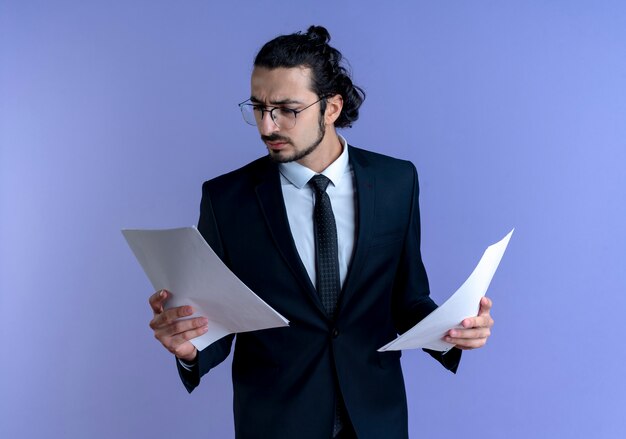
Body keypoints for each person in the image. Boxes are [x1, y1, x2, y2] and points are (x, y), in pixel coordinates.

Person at [148, 25, 494, 439]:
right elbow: (219, 318)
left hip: (375, 417)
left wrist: (454, 331)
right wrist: (189, 350)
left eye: (286, 109)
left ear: (331, 108)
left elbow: (408, 298)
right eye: (257, 107)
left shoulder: (397, 182)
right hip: (277, 422)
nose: (266, 126)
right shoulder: (226, 199)